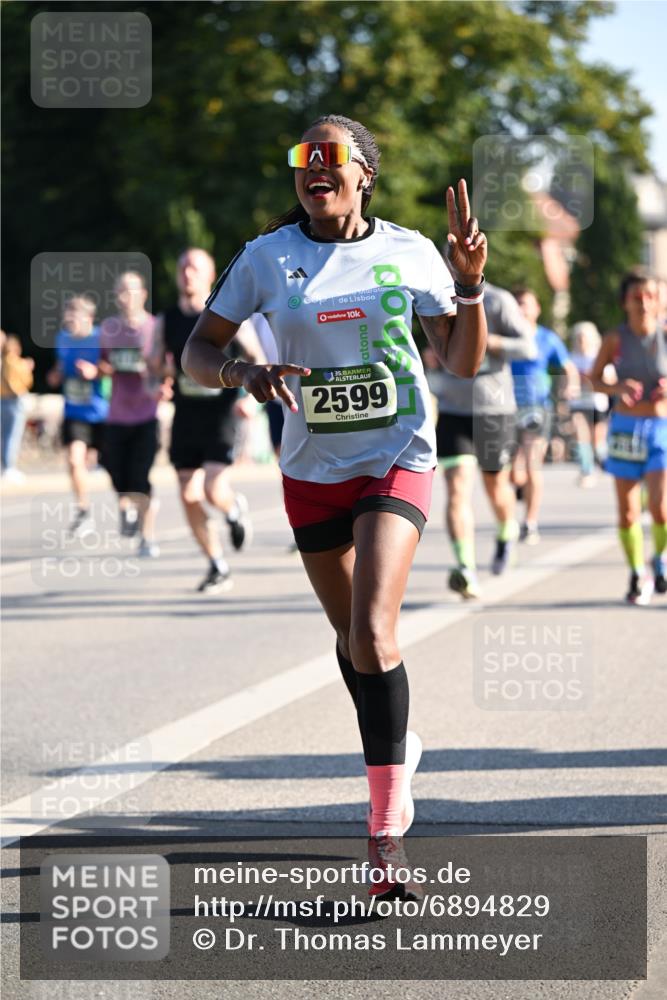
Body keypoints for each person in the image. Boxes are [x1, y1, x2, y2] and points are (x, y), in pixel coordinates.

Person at [182, 114, 487, 896]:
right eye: (303, 157)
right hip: (310, 467)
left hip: (395, 456)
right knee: (353, 640)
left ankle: (384, 833)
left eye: (331, 156)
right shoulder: (266, 257)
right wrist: (242, 374)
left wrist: (468, 288)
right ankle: (397, 747)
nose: (314, 167)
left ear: (363, 174)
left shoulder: (409, 252)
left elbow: (459, 362)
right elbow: (198, 350)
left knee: (374, 632)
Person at [151, 247, 259, 592]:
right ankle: (217, 564)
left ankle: (233, 509)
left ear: (210, 276)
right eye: (183, 267)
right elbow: (155, 365)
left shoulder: (226, 314)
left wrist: (250, 398)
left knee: (213, 488)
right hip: (186, 415)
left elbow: (256, 356)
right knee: (187, 493)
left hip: (221, 413)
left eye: (195, 268)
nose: (187, 274)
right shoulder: (166, 320)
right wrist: (161, 381)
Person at [429, 282, 535, 599]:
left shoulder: (499, 300)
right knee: (457, 487)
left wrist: (489, 341)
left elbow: (528, 347)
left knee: (495, 486)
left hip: (494, 409)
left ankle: (506, 529)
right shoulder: (435, 295)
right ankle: (465, 567)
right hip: (453, 409)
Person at [589, 269, 667, 604]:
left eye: (651, 296)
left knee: (660, 508)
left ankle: (660, 559)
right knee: (628, 512)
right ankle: (637, 572)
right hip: (625, 428)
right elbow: (594, 380)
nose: (644, 303)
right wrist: (618, 387)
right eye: (637, 297)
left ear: (660, 301)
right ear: (625, 302)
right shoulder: (614, 339)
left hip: (661, 428)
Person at [99, 271, 167, 557]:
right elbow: (103, 364)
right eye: (120, 291)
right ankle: (127, 506)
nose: (125, 297)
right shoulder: (108, 329)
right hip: (117, 415)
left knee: (140, 478)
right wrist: (97, 370)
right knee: (116, 473)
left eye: (131, 290)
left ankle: (147, 537)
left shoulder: (154, 328)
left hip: (146, 415)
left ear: (143, 295)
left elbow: (168, 366)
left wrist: (163, 385)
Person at [510, 288, 579, 544]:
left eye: (525, 304)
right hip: (506, 407)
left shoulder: (547, 338)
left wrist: (571, 385)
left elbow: (568, 367)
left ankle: (530, 523)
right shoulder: (505, 336)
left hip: (537, 408)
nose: (521, 309)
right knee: (512, 473)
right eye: (517, 304)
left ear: (537, 308)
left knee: (532, 466)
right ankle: (520, 489)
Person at [46, 295, 109, 533]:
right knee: (74, 461)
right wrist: (55, 376)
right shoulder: (62, 339)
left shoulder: (101, 338)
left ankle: (129, 506)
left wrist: (96, 372)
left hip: (103, 412)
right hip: (74, 411)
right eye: (67, 314)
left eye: (74, 315)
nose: (69, 319)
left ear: (89, 317)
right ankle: (84, 512)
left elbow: (114, 369)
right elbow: (60, 367)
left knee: (114, 467)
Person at [568, 321, 609, 487]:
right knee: (581, 436)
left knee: (597, 441)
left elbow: (610, 379)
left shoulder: (599, 357)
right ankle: (587, 470)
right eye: (579, 338)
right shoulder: (571, 358)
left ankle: (605, 464)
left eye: (584, 338)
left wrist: (592, 379)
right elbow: (566, 380)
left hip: (597, 403)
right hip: (578, 403)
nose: (581, 341)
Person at [0, 331, 34, 480]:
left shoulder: (6, 360)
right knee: (12, 435)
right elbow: (17, 382)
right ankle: (9, 467)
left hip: (4, 399)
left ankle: (6, 466)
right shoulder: (12, 361)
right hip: (13, 400)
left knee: (5, 435)